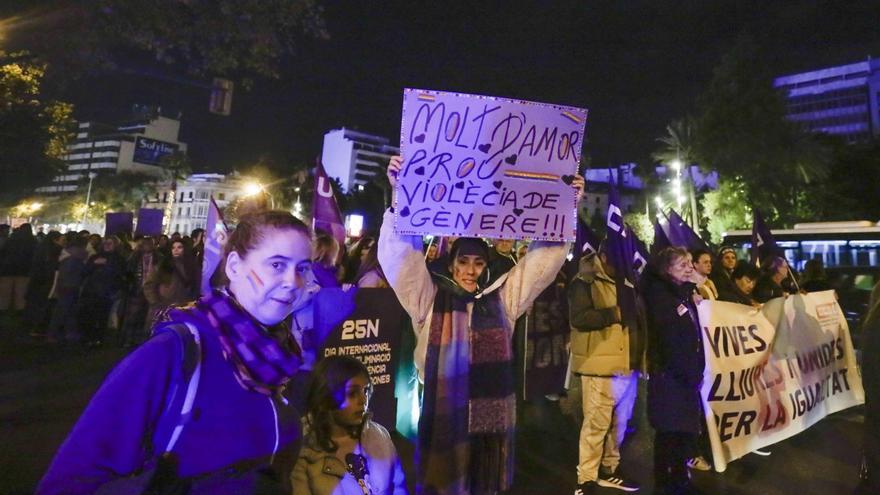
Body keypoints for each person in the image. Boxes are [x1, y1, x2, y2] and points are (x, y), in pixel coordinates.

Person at [39, 210, 316, 494]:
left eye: (303, 268)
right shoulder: (173, 351)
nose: (293, 282)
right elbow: (70, 478)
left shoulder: (283, 361)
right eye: (277, 265)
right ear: (234, 266)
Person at [378, 155, 583, 494]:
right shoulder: (429, 297)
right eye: (463, 262)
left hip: (490, 423)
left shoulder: (503, 299)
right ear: (452, 263)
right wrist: (401, 193)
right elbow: (399, 257)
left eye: (478, 263)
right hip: (446, 414)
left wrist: (565, 206)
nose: (470, 271)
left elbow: (542, 262)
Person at [568, 243, 644, 494]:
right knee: (596, 425)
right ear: (602, 256)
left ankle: (610, 468)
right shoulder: (584, 281)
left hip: (627, 366)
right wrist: (616, 313)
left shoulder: (628, 282)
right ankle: (586, 478)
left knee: (619, 423)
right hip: (599, 366)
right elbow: (579, 318)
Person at [292, 355, 407, 495]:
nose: (363, 400)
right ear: (326, 397)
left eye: (366, 390)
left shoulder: (379, 435)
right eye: (352, 393)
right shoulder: (303, 451)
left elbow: (399, 486)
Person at [643, 247, 705, 495]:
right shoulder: (660, 297)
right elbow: (670, 340)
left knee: (682, 432)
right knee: (669, 433)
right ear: (667, 270)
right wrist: (688, 372)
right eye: (682, 264)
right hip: (671, 376)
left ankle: (680, 479)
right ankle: (666, 484)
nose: (690, 267)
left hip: (685, 375)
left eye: (690, 262)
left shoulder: (681, 294)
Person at [78, 236, 125, 347]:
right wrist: (95, 264)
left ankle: (99, 338)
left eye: (110, 243)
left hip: (107, 292)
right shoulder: (95, 257)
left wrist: (107, 264)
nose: (107, 246)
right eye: (106, 243)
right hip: (92, 291)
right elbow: (85, 271)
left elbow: (119, 274)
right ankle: (88, 337)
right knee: (90, 314)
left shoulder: (119, 259)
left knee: (102, 316)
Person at [144, 239, 200, 329]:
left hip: (183, 308)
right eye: (173, 247)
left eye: (179, 247)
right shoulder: (162, 265)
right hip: (163, 307)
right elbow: (149, 285)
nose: (176, 250)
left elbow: (195, 286)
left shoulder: (192, 267)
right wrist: (155, 302)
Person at [47, 235, 88, 344]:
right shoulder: (78, 257)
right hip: (71, 285)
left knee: (64, 310)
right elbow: (81, 271)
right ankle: (59, 333)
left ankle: (60, 333)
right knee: (66, 310)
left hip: (64, 285)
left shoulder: (66, 255)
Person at [25, 231, 65, 336]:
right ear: (55, 240)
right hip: (47, 281)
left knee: (36, 303)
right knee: (45, 305)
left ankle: (32, 325)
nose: (63, 242)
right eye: (62, 240)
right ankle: (39, 327)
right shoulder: (56, 251)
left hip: (37, 280)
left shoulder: (41, 248)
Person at [120, 237, 158, 347]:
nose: (147, 246)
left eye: (149, 244)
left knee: (146, 317)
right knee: (133, 315)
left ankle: (140, 339)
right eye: (145, 244)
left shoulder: (158, 258)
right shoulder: (134, 258)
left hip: (151, 291)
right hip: (137, 289)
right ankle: (128, 338)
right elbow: (128, 273)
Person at [0, 223, 37, 314]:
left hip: (7, 269)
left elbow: (3, 253)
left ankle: (3, 308)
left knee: (5, 292)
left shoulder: (10, 240)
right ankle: (19, 310)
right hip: (24, 270)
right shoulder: (33, 241)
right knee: (21, 292)